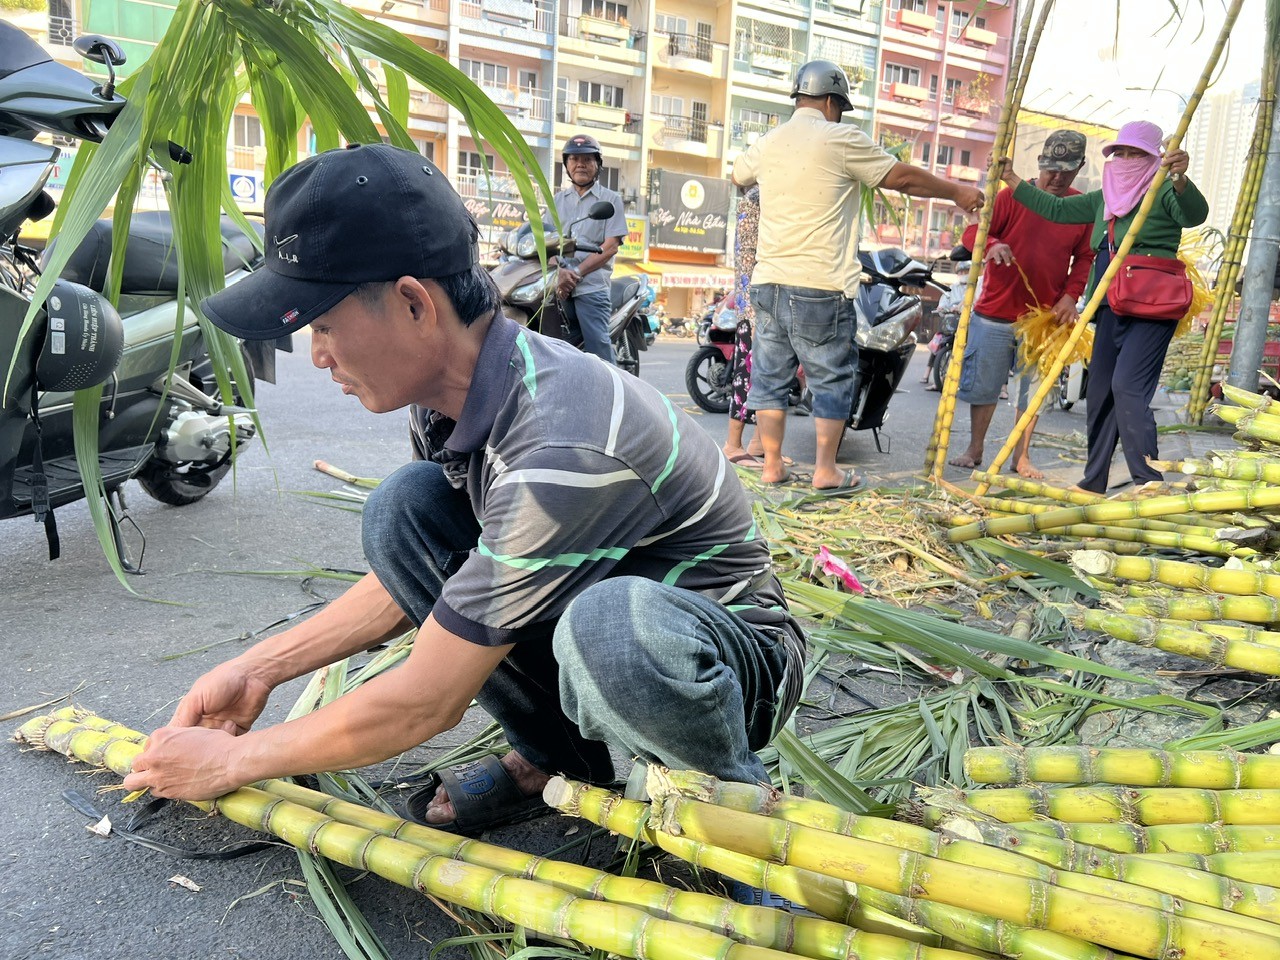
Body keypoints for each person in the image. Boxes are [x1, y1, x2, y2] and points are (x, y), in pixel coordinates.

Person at [120, 144, 806, 837]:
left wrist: (229, 764)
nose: (319, 356)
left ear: (414, 304)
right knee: (405, 510)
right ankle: (564, 761)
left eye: (323, 326)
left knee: (610, 631)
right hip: (601, 626)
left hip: (725, 661)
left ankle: (741, 813)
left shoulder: (562, 445)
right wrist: (258, 670)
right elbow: (461, 586)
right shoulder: (447, 401)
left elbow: (427, 700)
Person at [732, 59, 986, 492]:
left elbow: (738, 175)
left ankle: (772, 464)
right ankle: (826, 470)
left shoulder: (769, 141)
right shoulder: (840, 138)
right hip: (820, 283)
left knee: (771, 379)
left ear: (799, 99)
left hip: (768, 282)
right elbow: (901, 178)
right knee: (831, 376)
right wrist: (957, 191)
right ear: (832, 102)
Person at [998, 120, 1207, 493]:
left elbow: (1194, 214)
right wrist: (1012, 178)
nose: (1126, 159)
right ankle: (1094, 480)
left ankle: (1148, 478)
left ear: (1153, 159)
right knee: (1100, 393)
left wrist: (1179, 179)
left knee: (1128, 387)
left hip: (1151, 307)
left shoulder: (1161, 191)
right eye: (1121, 152)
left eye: (1136, 154)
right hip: (1110, 304)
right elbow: (1054, 208)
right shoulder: (1104, 198)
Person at [947, 130, 1096, 479]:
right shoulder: (1010, 196)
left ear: (1080, 168)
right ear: (1040, 164)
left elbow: (1086, 258)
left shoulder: (1080, 207)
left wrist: (1071, 296)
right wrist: (994, 242)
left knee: (1032, 391)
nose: (1057, 178)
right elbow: (972, 234)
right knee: (984, 386)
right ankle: (975, 448)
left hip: (1043, 318)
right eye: (1051, 170)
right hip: (994, 311)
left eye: (1066, 171)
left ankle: (1022, 456)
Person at [553, 133, 628, 363]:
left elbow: (610, 247)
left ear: (598, 165)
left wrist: (575, 274)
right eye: (574, 159)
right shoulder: (557, 200)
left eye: (587, 159)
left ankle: (616, 394)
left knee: (599, 349)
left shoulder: (611, 200)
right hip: (557, 285)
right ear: (566, 165)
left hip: (591, 287)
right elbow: (547, 243)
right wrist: (560, 272)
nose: (580, 165)